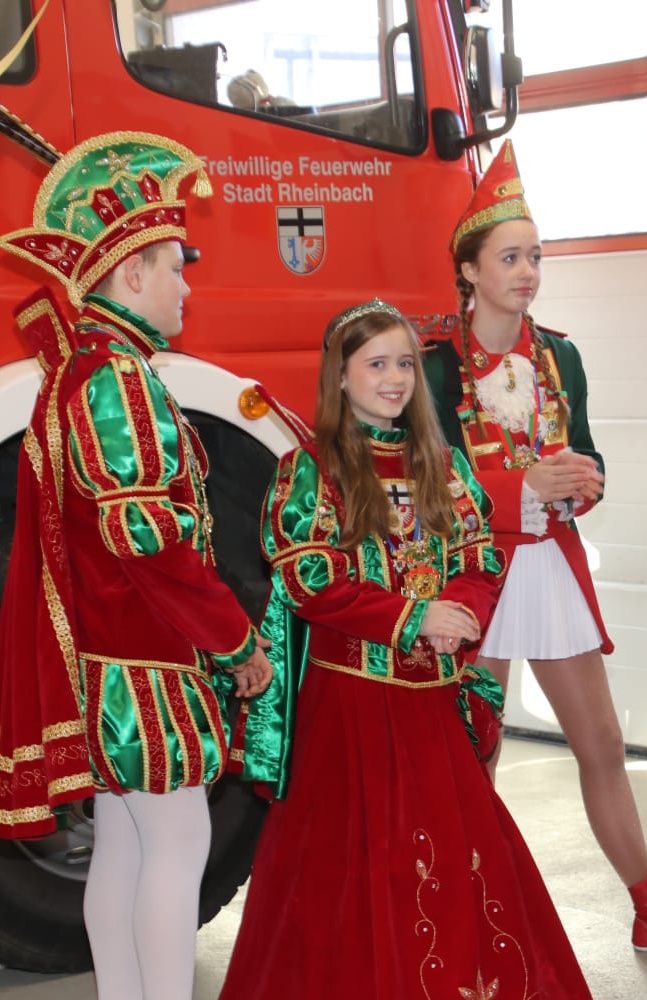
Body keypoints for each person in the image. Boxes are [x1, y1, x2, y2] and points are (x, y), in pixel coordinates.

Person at [220, 299, 593, 999]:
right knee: (359, 869)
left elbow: (481, 554)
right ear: (340, 376)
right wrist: (414, 617)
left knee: (457, 858)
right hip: (350, 709)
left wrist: (460, 616)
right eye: (376, 364)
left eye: (404, 365)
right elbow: (309, 578)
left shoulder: (441, 465)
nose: (394, 379)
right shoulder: (313, 469)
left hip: (429, 705)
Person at [422, 140, 647, 952]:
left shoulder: (561, 355)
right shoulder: (430, 365)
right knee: (473, 749)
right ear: (469, 271)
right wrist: (522, 488)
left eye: (536, 258)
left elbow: (588, 461)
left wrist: (582, 482)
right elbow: (430, 484)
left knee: (599, 743)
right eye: (510, 258)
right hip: (475, 573)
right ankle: (463, 907)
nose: (527, 272)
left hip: (548, 567)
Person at [0, 131, 272, 1000]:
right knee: (178, 848)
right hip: (145, 666)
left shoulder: (83, 372)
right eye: (175, 266)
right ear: (129, 275)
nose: (187, 284)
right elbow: (150, 539)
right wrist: (236, 640)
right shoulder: (116, 380)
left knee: (124, 843)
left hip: (113, 660)